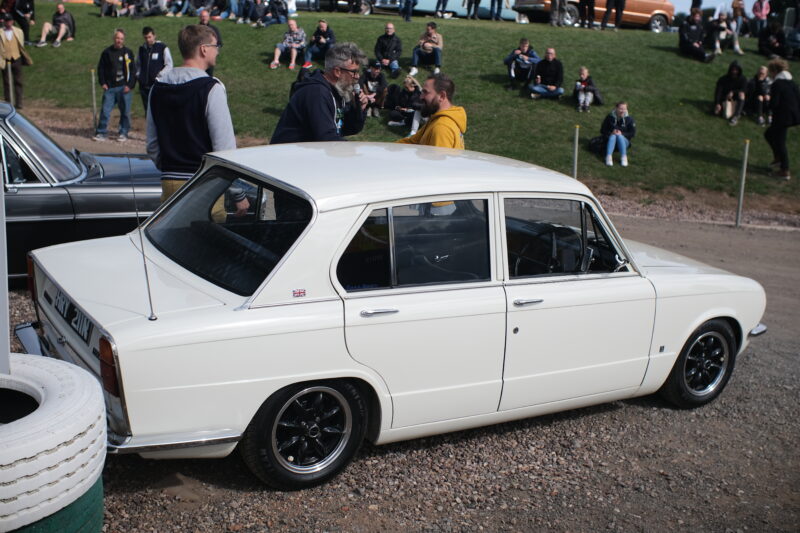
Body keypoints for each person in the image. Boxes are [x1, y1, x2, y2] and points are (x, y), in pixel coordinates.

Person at [146, 24, 246, 218]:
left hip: (169, 184)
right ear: (204, 49)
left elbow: (152, 144)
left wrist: (171, 167)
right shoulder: (211, 88)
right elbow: (224, 149)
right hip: (205, 186)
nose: (217, 51)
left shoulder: (157, 89)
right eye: (216, 46)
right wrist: (237, 192)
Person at [270, 42, 369, 143]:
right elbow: (327, 138)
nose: (357, 76)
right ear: (337, 72)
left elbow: (344, 129)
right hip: (288, 152)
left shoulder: (336, 91)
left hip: (307, 151)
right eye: (354, 72)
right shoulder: (316, 93)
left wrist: (358, 109)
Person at [396, 73, 466, 148]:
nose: (421, 97)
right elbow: (413, 141)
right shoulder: (436, 118)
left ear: (442, 96)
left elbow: (438, 156)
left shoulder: (441, 128)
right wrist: (388, 148)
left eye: (425, 92)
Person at [93, 29, 136, 142]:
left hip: (124, 88)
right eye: (117, 38)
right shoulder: (107, 52)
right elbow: (101, 68)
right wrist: (103, 82)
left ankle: (123, 133)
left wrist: (130, 85)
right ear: (114, 38)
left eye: (121, 39)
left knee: (125, 112)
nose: (119, 41)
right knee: (105, 111)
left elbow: (133, 70)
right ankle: (101, 132)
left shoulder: (128, 52)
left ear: (124, 40)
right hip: (110, 88)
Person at [764, 59, 800, 181]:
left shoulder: (777, 84)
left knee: (780, 142)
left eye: (770, 71)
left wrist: (767, 103)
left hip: (782, 116)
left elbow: (774, 103)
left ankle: (785, 170)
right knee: (769, 134)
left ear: (775, 71)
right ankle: (778, 158)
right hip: (792, 115)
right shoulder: (792, 83)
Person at [137, 27, 173, 113]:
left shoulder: (162, 47)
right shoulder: (141, 49)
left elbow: (169, 65)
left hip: (157, 85)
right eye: (146, 37)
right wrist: (139, 76)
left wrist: (159, 76)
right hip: (144, 86)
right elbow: (138, 64)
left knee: (159, 110)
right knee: (147, 111)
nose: (148, 39)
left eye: (149, 37)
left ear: (154, 36)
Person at [0, 12, 31, 109]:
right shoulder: (1, 32)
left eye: (10, 21)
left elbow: (21, 45)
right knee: (7, 82)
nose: (8, 23)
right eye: (6, 21)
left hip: (16, 58)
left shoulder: (18, 31)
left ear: (13, 21)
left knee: (18, 81)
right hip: (5, 59)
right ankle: (8, 103)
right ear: (4, 22)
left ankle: (19, 102)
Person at [600, 101, 635, 167]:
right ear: (616, 108)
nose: (622, 111)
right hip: (610, 140)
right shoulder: (609, 117)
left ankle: (624, 157)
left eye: (624, 109)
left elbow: (632, 133)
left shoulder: (630, 119)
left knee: (619, 136)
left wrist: (622, 134)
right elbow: (602, 130)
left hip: (624, 141)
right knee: (613, 136)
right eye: (621, 109)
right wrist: (611, 133)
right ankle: (609, 157)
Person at [714, 60, 747, 125]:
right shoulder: (723, 79)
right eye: (733, 70)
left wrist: (733, 92)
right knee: (716, 112)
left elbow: (744, 89)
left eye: (736, 70)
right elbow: (718, 92)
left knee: (742, 94)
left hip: (736, 98)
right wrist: (717, 103)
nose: (734, 72)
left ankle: (736, 116)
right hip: (725, 99)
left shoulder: (743, 79)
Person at [198, 8, 222, 75]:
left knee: (209, 75)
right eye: (203, 16)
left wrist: (215, 51)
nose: (204, 18)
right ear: (200, 17)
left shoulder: (214, 29)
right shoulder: (196, 29)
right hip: (198, 55)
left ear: (208, 17)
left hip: (210, 55)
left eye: (206, 16)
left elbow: (219, 43)